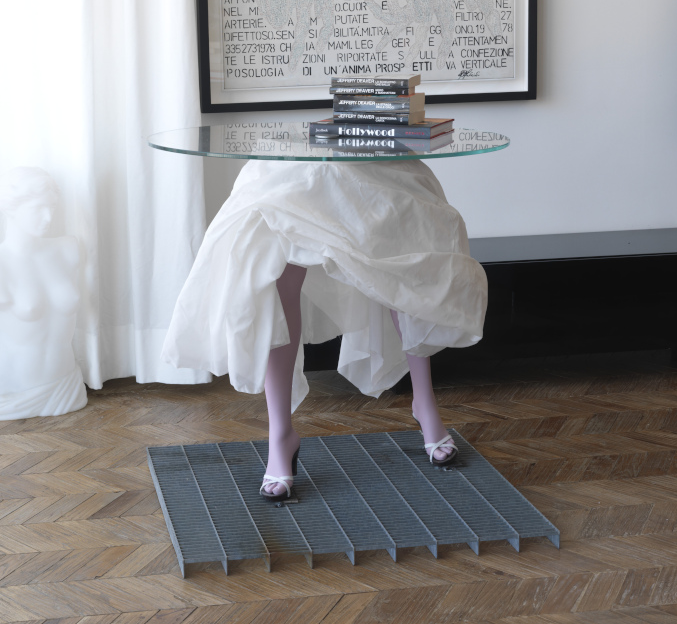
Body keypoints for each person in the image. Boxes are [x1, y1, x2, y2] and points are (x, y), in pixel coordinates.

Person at [162, 150, 487, 501]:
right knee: (273, 262)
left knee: (402, 250)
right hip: (293, 162)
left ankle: (424, 402)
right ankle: (280, 435)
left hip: (372, 158)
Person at [0, 167, 87, 419]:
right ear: (10, 208)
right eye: (38, 208)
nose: (48, 217)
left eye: (52, 207)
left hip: (67, 384)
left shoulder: (68, 249)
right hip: (14, 390)